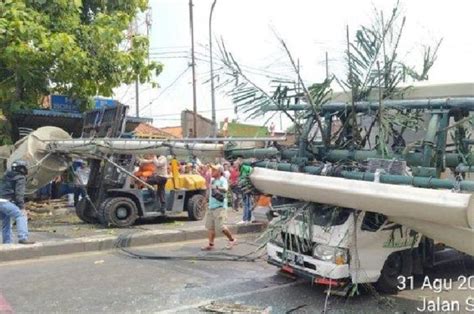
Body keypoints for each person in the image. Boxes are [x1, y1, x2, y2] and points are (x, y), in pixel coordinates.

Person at [202, 164, 236, 250]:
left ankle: (232, 240)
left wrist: (216, 187)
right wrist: (205, 200)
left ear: (219, 172)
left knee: (220, 227)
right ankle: (211, 244)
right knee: (210, 227)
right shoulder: (212, 180)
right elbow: (209, 191)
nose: (212, 171)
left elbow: (225, 189)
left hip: (220, 207)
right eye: (212, 170)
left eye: (214, 170)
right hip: (211, 207)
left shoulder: (223, 180)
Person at [0, 160, 35, 244]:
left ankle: (7, 243)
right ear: (22, 168)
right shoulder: (20, 177)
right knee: (21, 216)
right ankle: (23, 237)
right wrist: (22, 207)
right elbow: (19, 194)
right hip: (6, 202)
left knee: (6, 221)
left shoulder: (6, 175)